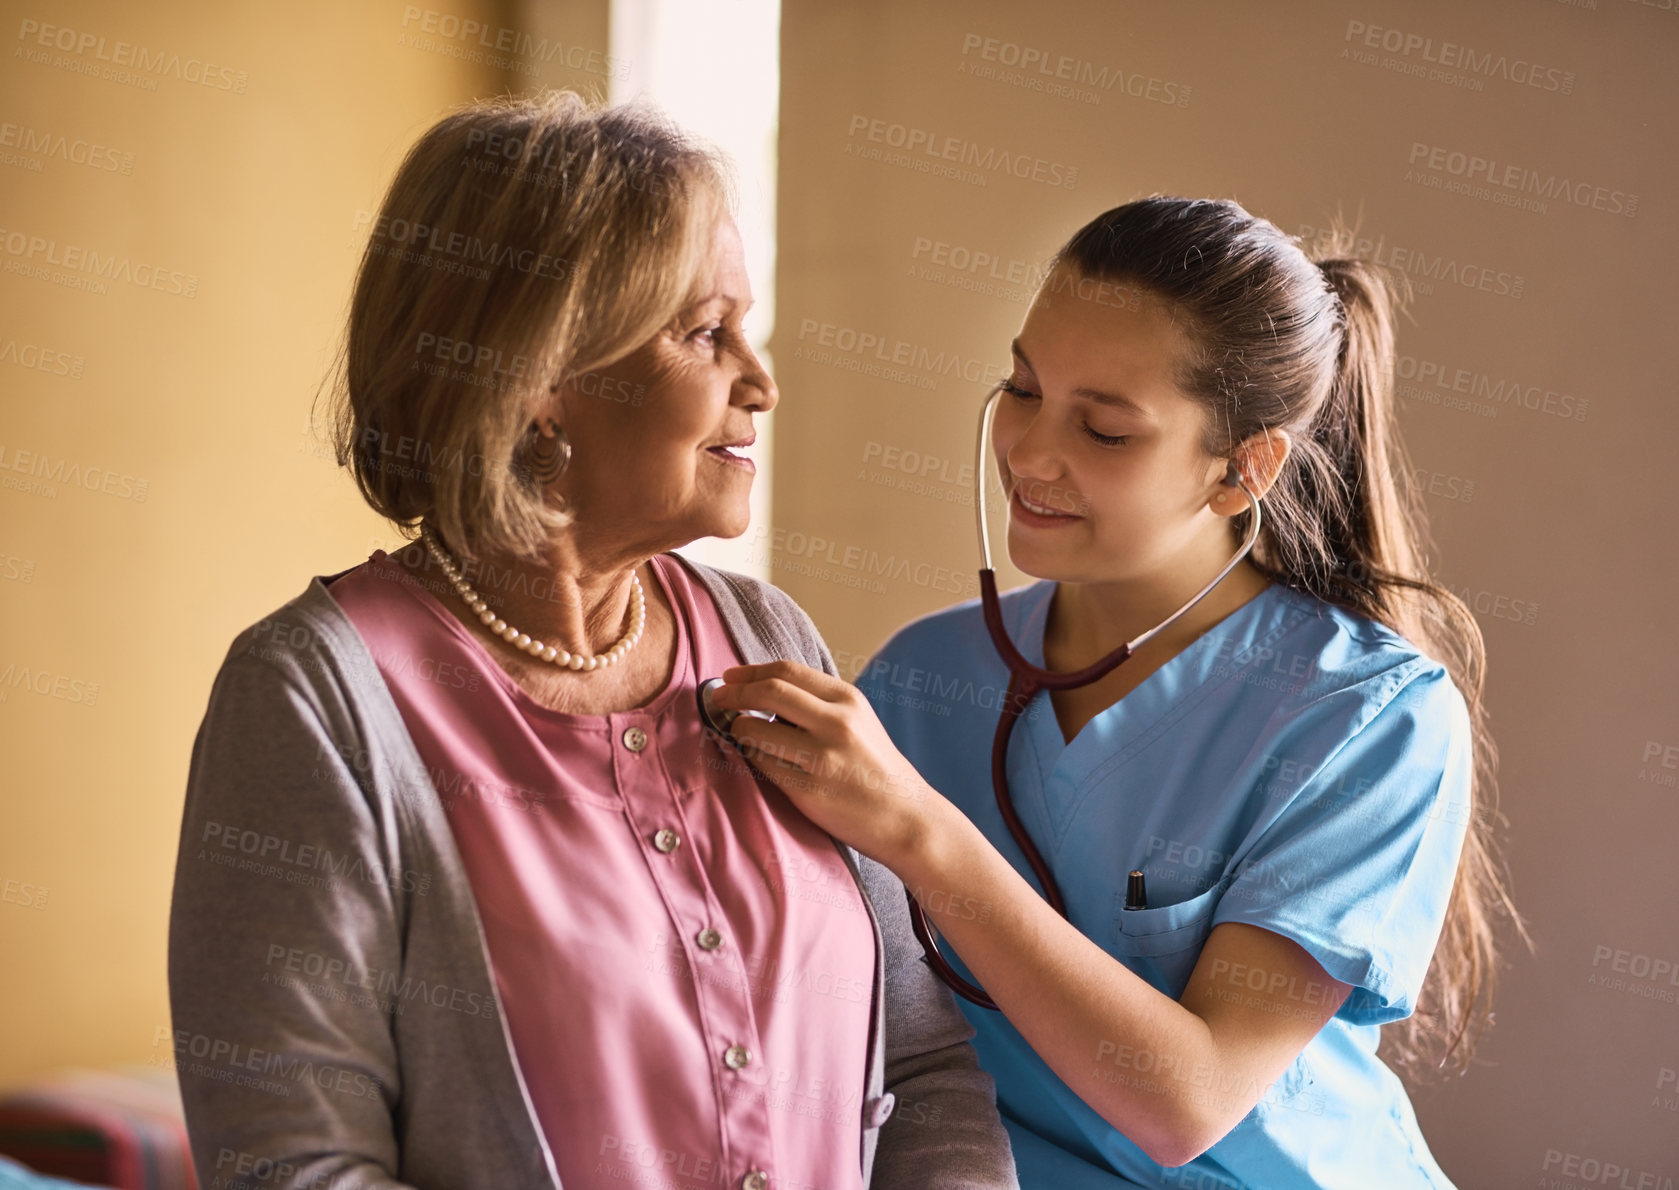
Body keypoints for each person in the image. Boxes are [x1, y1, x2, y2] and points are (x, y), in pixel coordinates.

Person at [167, 91, 1018, 1190]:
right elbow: (290, 1164)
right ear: (540, 382)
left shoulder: (770, 635)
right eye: (706, 333)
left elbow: (922, 1061)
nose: (759, 383)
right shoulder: (316, 696)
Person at [709, 197, 1524, 1187]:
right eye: (1020, 387)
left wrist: (921, 834)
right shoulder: (921, 681)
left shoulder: (1365, 714)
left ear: (1239, 471)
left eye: (1101, 430)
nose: (1028, 453)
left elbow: (1189, 1098)